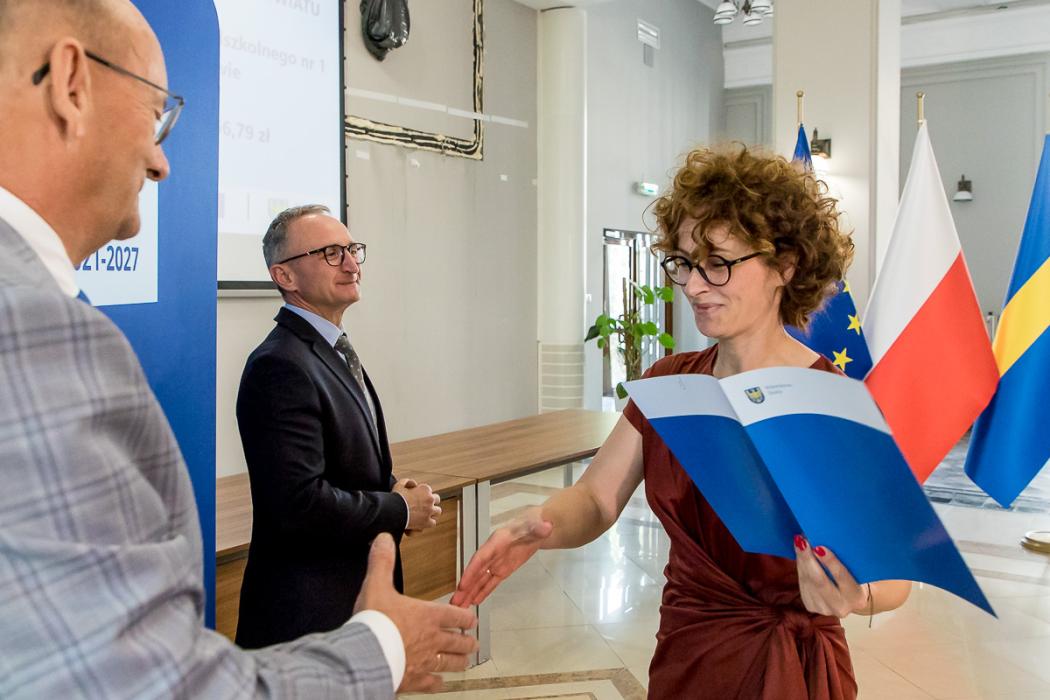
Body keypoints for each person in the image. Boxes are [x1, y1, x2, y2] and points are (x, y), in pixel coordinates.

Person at [0, 1, 474, 697]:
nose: (161, 162)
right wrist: (382, 649)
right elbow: (141, 679)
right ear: (72, 81)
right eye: (156, 114)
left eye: (353, 249)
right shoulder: (38, 329)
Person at [452, 145, 912, 699]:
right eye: (685, 263)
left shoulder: (834, 402)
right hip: (687, 655)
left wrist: (856, 595)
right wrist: (539, 523)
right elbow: (597, 499)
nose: (693, 286)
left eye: (717, 264)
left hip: (789, 668)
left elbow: (895, 578)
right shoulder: (670, 382)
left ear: (785, 266)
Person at [235, 205, 442, 648]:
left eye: (352, 250)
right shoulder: (279, 365)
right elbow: (298, 504)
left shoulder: (329, 349)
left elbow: (339, 461)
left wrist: (391, 485)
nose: (351, 264)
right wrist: (399, 509)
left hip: (349, 603)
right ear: (285, 276)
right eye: (331, 253)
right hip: (308, 617)